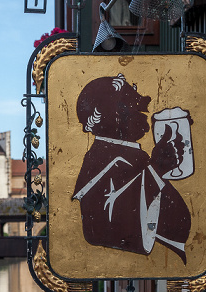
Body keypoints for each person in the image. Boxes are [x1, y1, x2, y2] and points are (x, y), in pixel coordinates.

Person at [71, 73, 192, 263]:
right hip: (159, 261)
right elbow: (98, 230)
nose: (143, 106)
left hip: (176, 259)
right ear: (113, 114)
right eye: (132, 101)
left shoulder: (132, 153)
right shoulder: (100, 159)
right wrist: (156, 170)